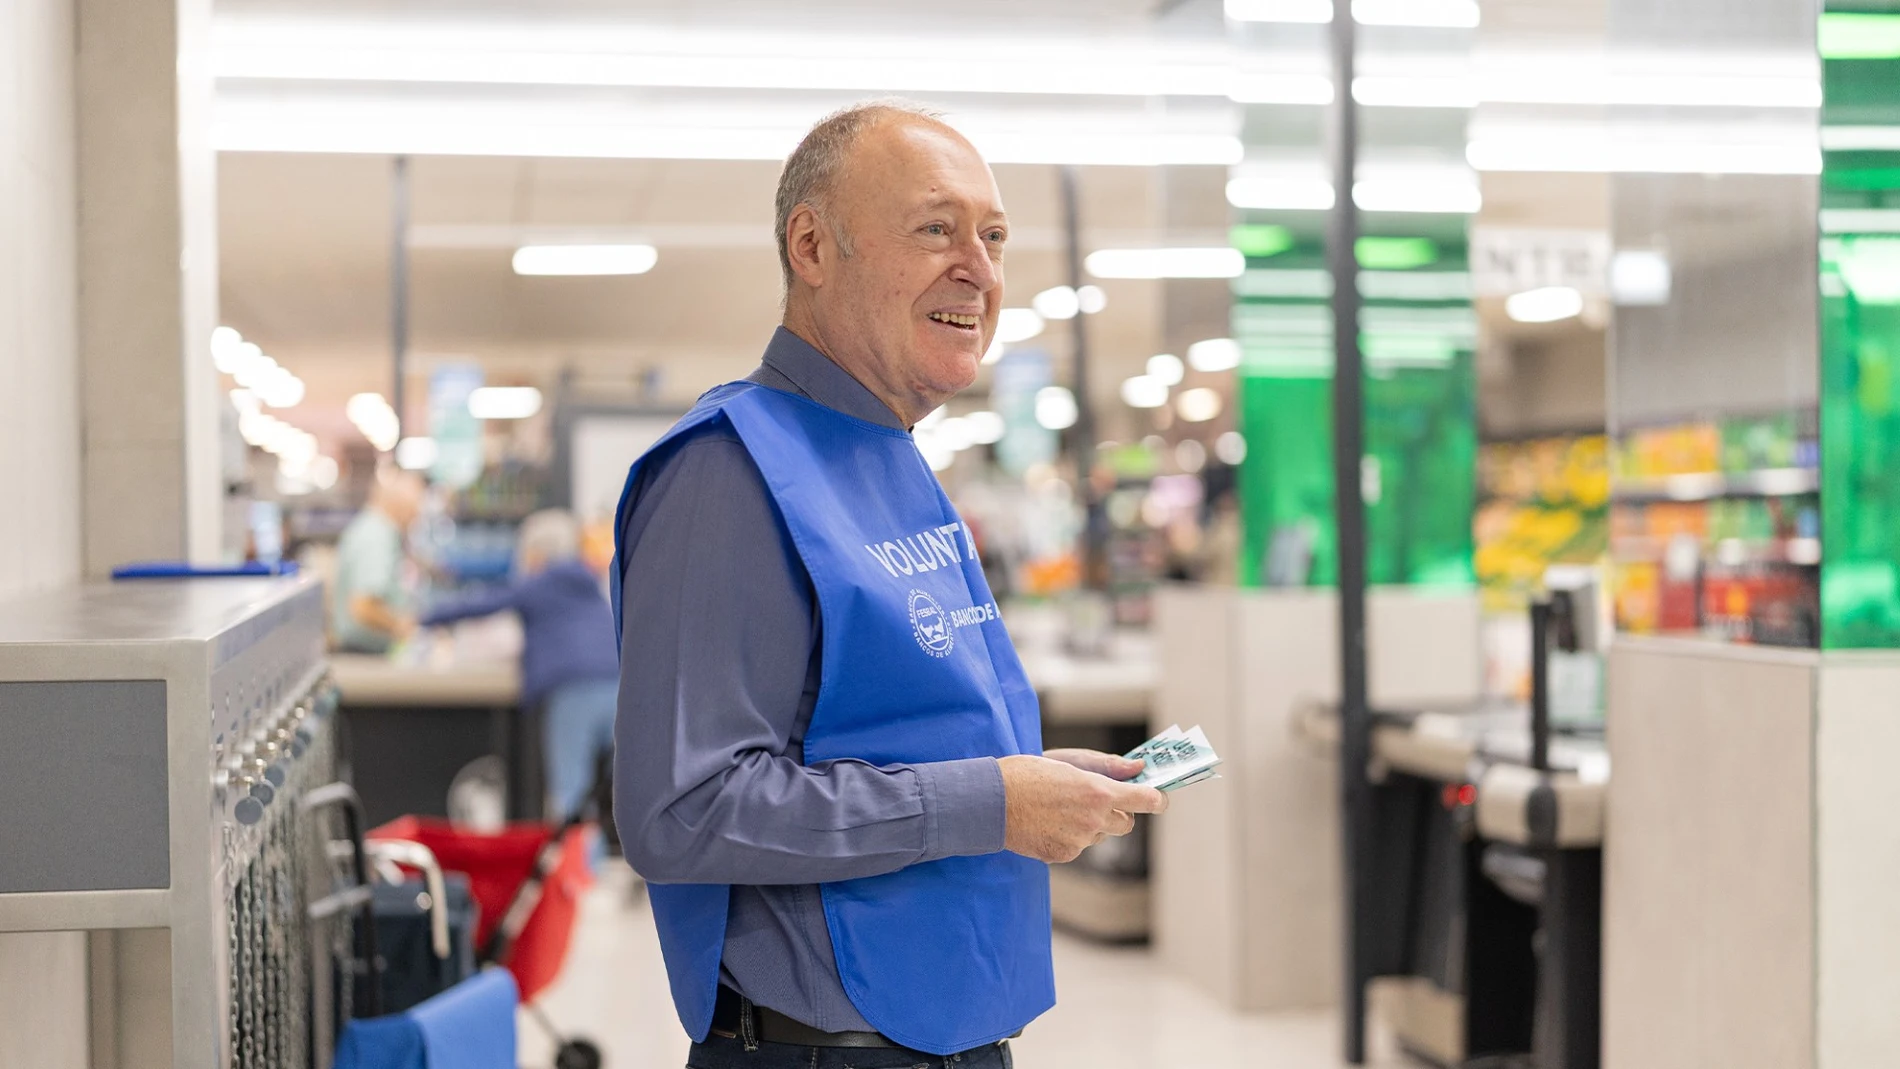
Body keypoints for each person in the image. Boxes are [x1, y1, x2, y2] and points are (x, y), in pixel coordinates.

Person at [611, 101, 1168, 1069]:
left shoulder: (889, 455)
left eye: (993, 237)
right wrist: (986, 801)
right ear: (813, 245)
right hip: (827, 1049)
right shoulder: (729, 474)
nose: (979, 269)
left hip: (942, 1029)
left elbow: (898, 727)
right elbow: (682, 809)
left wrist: (1032, 783)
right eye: (935, 228)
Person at [420, 509, 619, 820]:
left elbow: (483, 603)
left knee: (571, 792)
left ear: (536, 553)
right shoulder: (588, 584)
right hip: (618, 685)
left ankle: (577, 865)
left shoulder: (542, 582)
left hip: (573, 690)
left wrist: (423, 618)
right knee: (617, 787)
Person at [332, 466, 426, 654]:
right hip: (363, 655)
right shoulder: (377, 537)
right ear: (398, 504)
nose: (416, 518)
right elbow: (363, 607)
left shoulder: (372, 528)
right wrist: (401, 625)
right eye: (414, 509)